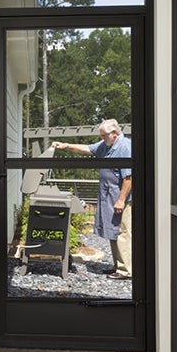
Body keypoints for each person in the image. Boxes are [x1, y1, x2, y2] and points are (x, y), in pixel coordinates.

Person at [53, 118, 132, 278]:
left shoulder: (124, 147)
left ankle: (125, 270)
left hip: (119, 197)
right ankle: (118, 266)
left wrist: (121, 199)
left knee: (122, 232)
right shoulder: (107, 145)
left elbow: (128, 178)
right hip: (109, 195)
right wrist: (67, 146)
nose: (102, 139)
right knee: (112, 231)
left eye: (104, 136)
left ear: (114, 134)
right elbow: (88, 149)